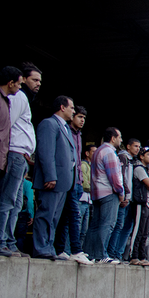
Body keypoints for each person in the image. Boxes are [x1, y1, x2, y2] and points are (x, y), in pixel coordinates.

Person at [31, 96, 77, 260]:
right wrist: (50, 176)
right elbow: (45, 152)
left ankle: (48, 247)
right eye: (71, 107)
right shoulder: (49, 124)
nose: (74, 111)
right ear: (62, 107)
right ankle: (40, 247)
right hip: (52, 180)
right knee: (45, 214)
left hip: (63, 182)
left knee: (54, 217)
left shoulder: (65, 127)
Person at [53, 105, 92, 264]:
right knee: (71, 215)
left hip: (76, 181)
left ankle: (60, 249)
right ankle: (75, 250)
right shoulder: (65, 131)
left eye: (84, 118)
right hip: (66, 179)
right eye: (79, 117)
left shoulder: (79, 135)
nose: (82, 120)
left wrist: (80, 178)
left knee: (66, 217)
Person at [0, 66, 30, 258]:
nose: (21, 87)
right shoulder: (14, 98)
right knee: (7, 201)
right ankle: (3, 241)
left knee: (16, 204)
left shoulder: (9, 99)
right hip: (13, 154)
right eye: (21, 83)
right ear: (11, 82)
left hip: (20, 156)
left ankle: (9, 242)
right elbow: (5, 129)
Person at [83, 127, 125, 263]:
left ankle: (90, 253)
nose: (121, 140)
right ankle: (101, 255)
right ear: (113, 138)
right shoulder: (109, 153)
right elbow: (114, 176)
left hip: (96, 193)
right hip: (108, 193)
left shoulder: (98, 152)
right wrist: (120, 191)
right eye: (119, 137)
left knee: (95, 224)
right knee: (108, 224)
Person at [106, 138, 139, 261]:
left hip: (130, 199)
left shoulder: (133, 160)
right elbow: (122, 177)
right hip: (123, 198)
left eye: (139, 146)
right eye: (135, 146)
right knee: (118, 225)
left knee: (127, 227)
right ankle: (111, 253)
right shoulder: (122, 158)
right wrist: (125, 194)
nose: (137, 149)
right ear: (128, 147)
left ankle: (118, 254)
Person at [128, 147, 149, 266]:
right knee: (138, 231)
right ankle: (133, 256)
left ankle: (142, 256)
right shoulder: (139, 169)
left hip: (148, 204)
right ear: (141, 156)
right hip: (141, 203)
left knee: (145, 232)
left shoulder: (147, 170)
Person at [78, 144, 97, 248]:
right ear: (87, 153)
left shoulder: (92, 166)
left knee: (84, 231)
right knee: (77, 228)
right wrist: (93, 186)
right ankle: (69, 251)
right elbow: (85, 184)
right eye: (93, 152)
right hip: (81, 200)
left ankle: (79, 250)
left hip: (88, 201)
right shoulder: (83, 165)